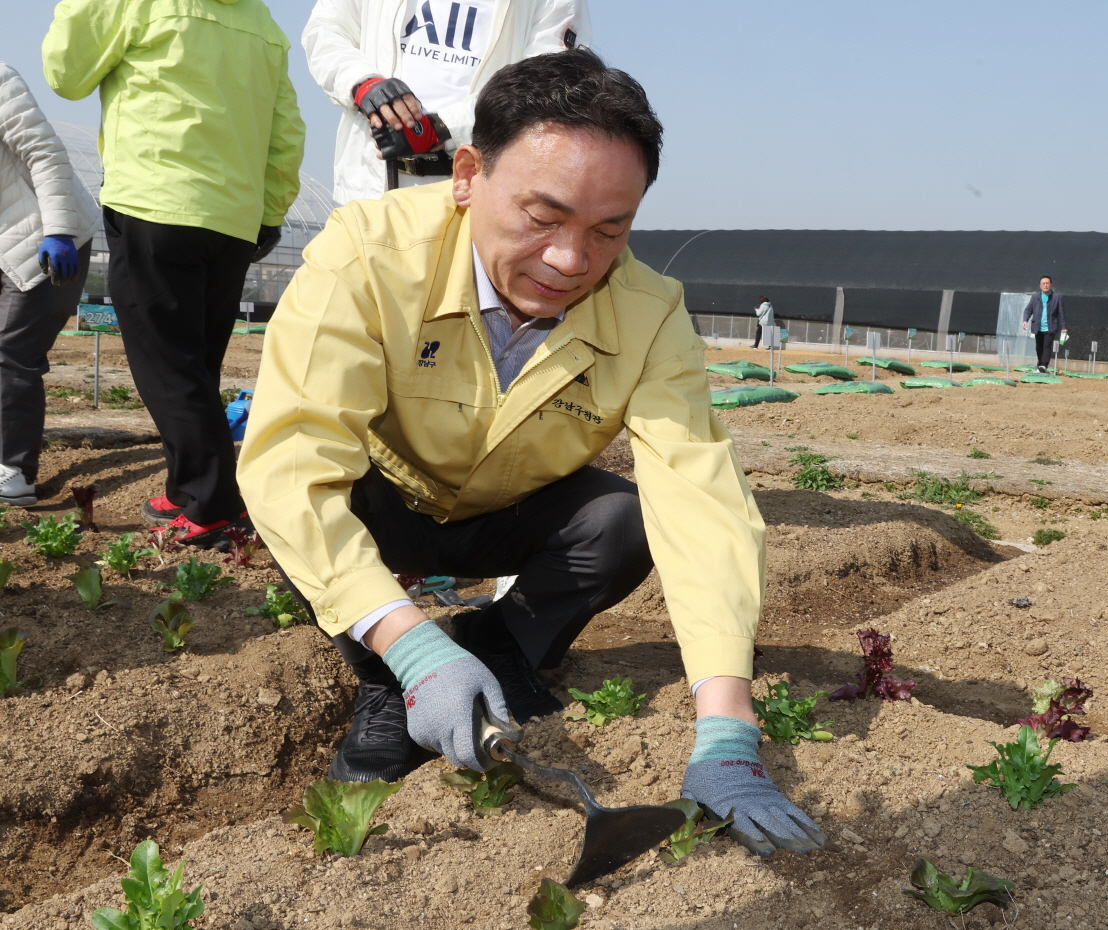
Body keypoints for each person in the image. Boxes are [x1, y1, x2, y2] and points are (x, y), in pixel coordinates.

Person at [238, 50, 825, 859]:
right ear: (469, 174)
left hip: (507, 516)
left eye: (608, 231)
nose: (570, 261)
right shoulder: (369, 254)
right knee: (301, 503)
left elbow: (701, 499)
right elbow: (292, 459)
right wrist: (411, 646)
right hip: (387, 506)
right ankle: (388, 680)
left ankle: (501, 647)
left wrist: (727, 726)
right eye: (543, 218)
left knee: (622, 520)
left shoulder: (650, 314)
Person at [44, 0, 305, 548]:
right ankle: (189, 486)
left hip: (157, 202)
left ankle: (212, 504)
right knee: (197, 362)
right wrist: (270, 211)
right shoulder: (262, 23)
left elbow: (65, 75)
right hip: (232, 219)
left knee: (168, 365)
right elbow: (286, 132)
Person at [303, 0, 592, 204]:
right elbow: (325, 32)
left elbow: (548, 77)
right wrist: (364, 82)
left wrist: (444, 129)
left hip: (479, 195)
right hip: (368, 190)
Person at [0, 63, 98, 506]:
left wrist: (57, 230)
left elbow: (44, 152)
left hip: (45, 236)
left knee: (13, 352)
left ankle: (13, 471)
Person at [1021, 276, 1068, 370]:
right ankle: (1040, 365)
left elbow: (1061, 314)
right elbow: (1028, 310)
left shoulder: (1057, 297)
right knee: (1039, 347)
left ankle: (1044, 365)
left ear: (1051, 285)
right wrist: (1025, 320)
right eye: (1043, 283)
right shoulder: (1035, 297)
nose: (1045, 285)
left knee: (1047, 346)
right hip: (1037, 327)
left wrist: (1064, 327)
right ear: (1040, 285)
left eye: (1047, 283)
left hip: (1050, 327)